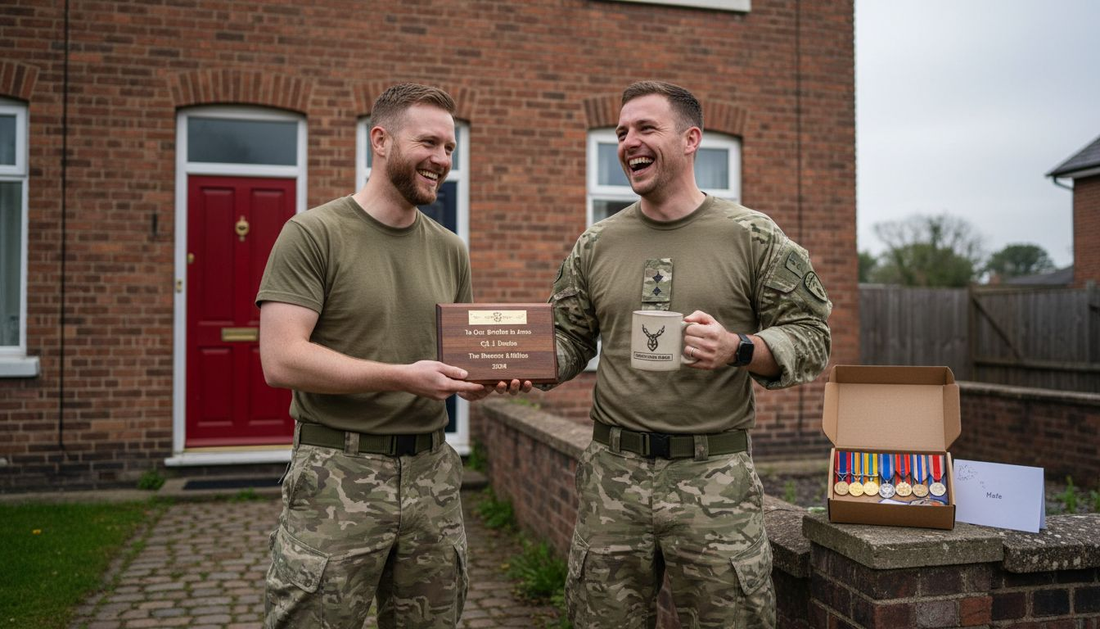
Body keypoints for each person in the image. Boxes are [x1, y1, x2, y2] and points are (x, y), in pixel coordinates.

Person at [547, 81, 832, 628]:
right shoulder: (596, 244)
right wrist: (516, 368)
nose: (629, 141)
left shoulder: (753, 237)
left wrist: (740, 348)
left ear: (692, 139)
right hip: (613, 478)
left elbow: (811, 335)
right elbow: (568, 339)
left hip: (714, 480)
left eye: (646, 128)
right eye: (622, 132)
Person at [256, 83, 521, 629]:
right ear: (380, 140)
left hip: (432, 477)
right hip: (337, 474)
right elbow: (281, 359)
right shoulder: (313, 234)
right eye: (428, 142)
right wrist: (405, 377)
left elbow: (457, 361)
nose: (442, 160)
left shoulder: (451, 248)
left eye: (450, 148)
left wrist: (479, 381)